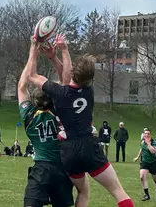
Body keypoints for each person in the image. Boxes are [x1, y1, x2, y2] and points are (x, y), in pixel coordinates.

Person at [28, 35, 135, 207]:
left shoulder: (60, 93)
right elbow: (68, 77)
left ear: (73, 73)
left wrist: (36, 46)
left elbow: (32, 75)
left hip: (68, 151)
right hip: (88, 145)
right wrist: (61, 53)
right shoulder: (88, 91)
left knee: (83, 191)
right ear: (90, 78)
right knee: (117, 191)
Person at [18, 38, 74, 207]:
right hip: (62, 169)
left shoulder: (29, 116)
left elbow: (22, 86)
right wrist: (62, 53)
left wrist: (33, 50)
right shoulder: (60, 113)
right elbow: (66, 81)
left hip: (41, 170)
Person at [134, 128, 156, 201]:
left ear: (150, 135)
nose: (146, 135)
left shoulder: (154, 142)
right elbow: (141, 149)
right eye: (145, 133)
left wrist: (148, 143)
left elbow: (153, 151)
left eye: (148, 133)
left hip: (153, 162)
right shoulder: (142, 142)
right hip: (145, 162)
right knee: (142, 177)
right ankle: (147, 195)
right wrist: (137, 157)